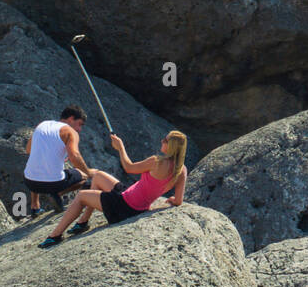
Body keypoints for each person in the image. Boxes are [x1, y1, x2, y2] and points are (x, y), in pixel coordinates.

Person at [38, 130, 187, 248]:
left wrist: (120, 148)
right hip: (134, 202)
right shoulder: (182, 171)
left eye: (165, 140)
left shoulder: (156, 162)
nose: (162, 141)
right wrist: (172, 199)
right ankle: (83, 221)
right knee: (98, 176)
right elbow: (179, 200)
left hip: (124, 206)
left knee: (82, 196)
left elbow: (129, 168)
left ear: (171, 146)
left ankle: (55, 235)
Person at [22, 106, 94, 216]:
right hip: (54, 184)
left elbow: (28, 150)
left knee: (36, 165)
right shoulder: (70, 132)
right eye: (80, 124)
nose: (80, 129)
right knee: (84, 175)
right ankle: (57, 194)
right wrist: (89, 173)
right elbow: (74, 156)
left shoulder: (42, 125)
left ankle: (35, 206)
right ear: (71, 118)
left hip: (29, 182)